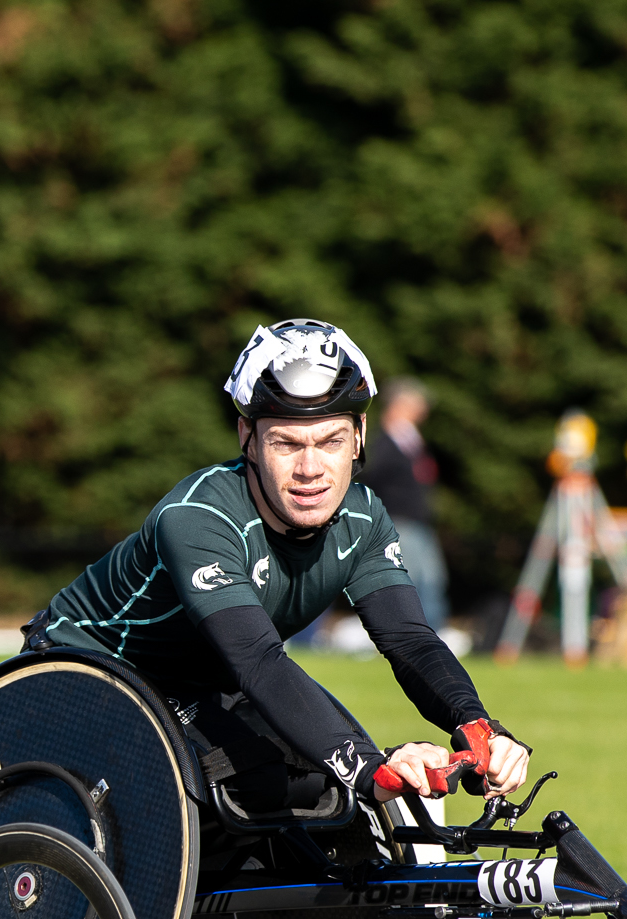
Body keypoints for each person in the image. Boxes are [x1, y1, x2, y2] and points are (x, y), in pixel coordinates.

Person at [32, 318, 528, 813]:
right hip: (93, 668)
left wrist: (479, 728)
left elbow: (410, 640)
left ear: (359, 437)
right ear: (248, 437)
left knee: (323, 793)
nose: (311, 469)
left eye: (331, 441)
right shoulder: (199, 518)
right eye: (287, 444)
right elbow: (260, 662)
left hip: (210, 678)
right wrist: (369, 769)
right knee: (269, 780)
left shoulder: (364, 517)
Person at [359, 376, 448, 631]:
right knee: (410, 581)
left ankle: (432, 635)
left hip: (417, 521)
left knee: (431, 581)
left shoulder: (411, 441)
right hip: (398, 521)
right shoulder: (384, 443)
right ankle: (411, 634)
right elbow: (372, 477)